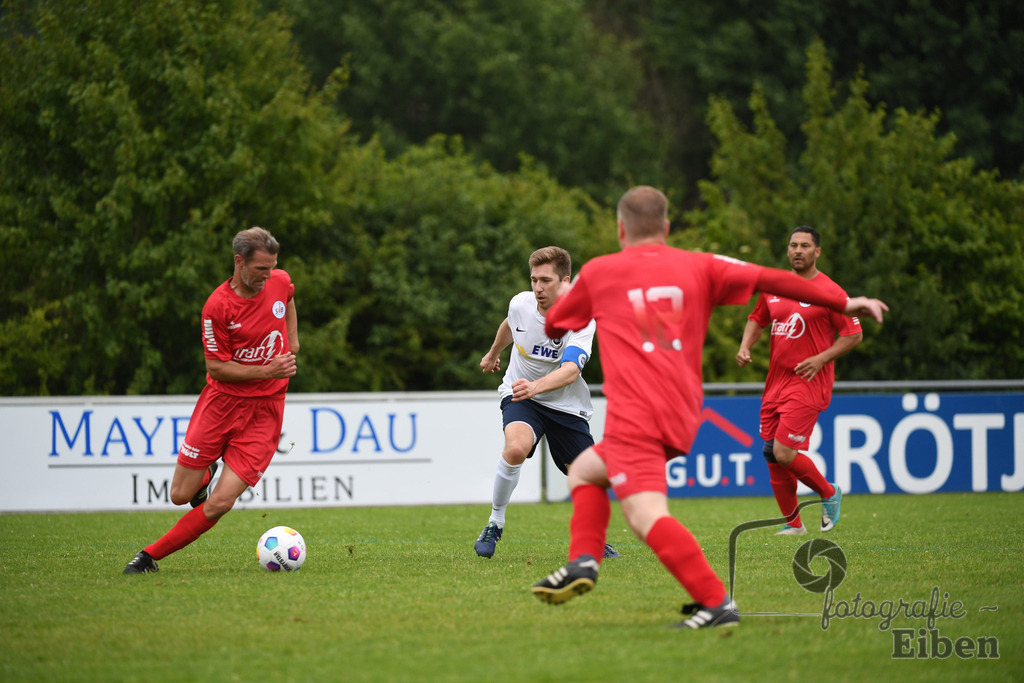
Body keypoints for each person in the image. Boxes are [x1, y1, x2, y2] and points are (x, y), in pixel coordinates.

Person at [530, 186, 887, 629]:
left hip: (637, 411)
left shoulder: (601, 271)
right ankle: (583, 560)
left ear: (620, 229)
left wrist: (568, 295)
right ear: (667, 227)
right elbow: (769, 278)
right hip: (680, 412)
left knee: (645, 515)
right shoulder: (700, 264)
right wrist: (842, 302)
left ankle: (715, 602)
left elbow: (556, 324)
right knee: (585, 470)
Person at [123, 226, 299, 574]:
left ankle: (148, 557)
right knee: (179, 495)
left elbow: (288, 298)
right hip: (221, 405)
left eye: (272, 267)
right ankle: (204, 476)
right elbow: (216, 368)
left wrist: (292, 342)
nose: (269, 275)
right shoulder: (218, 307)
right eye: (261, 268)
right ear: (239, 262)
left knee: (220, 503)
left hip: (264, 414)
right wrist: (268, 370)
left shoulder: (280, 281)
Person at [475, 246, 618, 560]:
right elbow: (511, 324)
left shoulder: (581, 319)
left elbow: (570, 371)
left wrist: (536, 386)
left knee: (590, 475)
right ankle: (495, 522)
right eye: (533, 279)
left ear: (565, 280)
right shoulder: (521, 303)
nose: (538, 287)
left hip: (565, 403)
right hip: (522, 397)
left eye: (546, 280)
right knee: (515, 448)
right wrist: (494, 353)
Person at [736, 226, 861, 535]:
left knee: (783, 452)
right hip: (775, 383)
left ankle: (829, 493)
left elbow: (853, 334)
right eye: (793, 245)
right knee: (771, 454)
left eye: (805, 246)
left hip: (809, 382)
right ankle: (793, 525)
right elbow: (757, 318)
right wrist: (745, 346)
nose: (798, 250)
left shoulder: (831, 291)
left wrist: (821, 359)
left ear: (817, 252)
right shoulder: (775, 286)